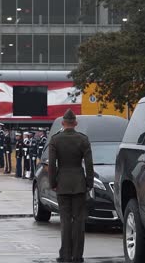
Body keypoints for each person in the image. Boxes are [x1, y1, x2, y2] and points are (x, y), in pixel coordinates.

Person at [48, 109, 94, 263]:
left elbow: (53, 165)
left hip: (62, 183)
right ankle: (77, 255)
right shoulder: (83, 139)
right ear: (75, 123)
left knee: (65, 220)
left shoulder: (55, 140)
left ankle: (65, 255)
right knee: (79, 221)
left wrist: (53, 182)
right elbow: (88, 164)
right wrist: (89, 183)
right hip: (79, 184)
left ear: (62, 123)